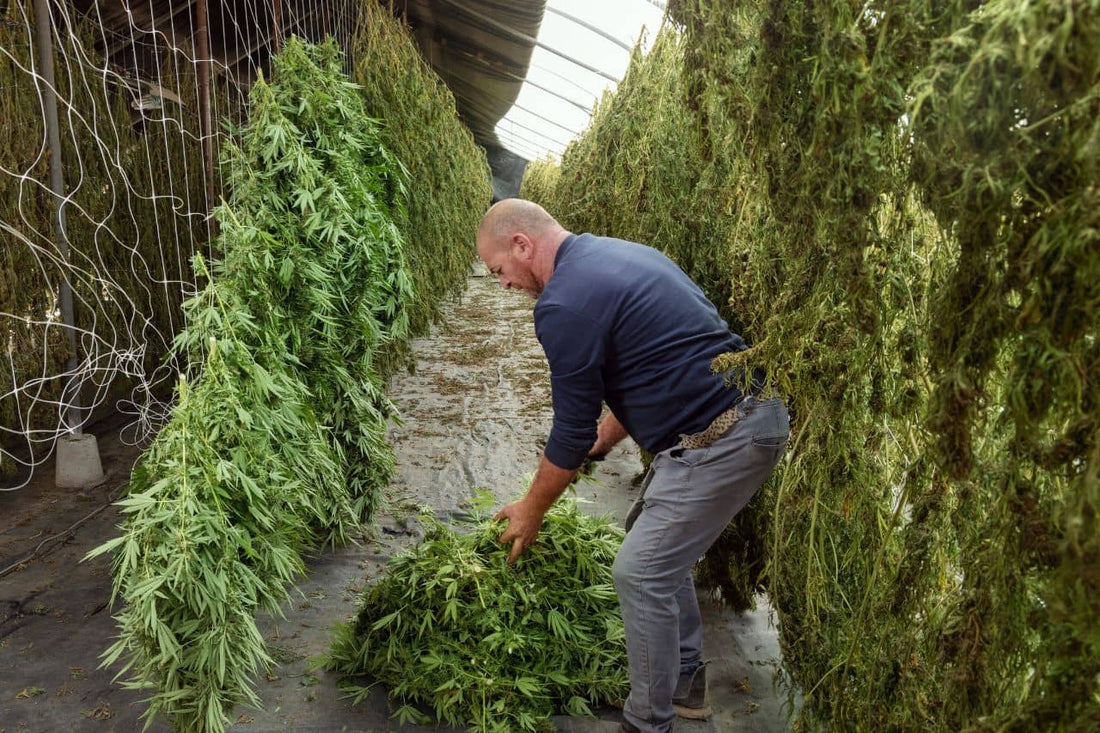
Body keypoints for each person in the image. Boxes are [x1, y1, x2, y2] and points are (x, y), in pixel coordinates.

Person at [477, 199, 789, 733]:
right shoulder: (614, 254)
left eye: (498, 271)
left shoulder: (562, 305)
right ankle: (685, 680)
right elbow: (646, 364)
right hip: (743, 418)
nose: (502, 285)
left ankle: (647, 722)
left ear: (522, 245)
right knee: (650, 541)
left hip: (723, 437)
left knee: (640, 572)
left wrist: (531, 509)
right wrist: (606, 440)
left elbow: (569, 432)